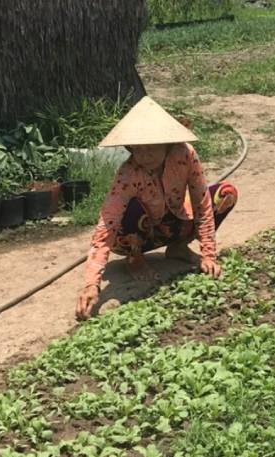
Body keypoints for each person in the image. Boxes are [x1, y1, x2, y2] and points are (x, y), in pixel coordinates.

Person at [76, 97, 238, 320]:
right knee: (132, 209)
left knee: (225, 193)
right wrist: (92, 284)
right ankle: (135, 260)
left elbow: (201, 201)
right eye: (138, 149)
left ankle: (178, 248)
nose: (144, 155)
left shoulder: (185, 155)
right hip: (137, 234)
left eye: (151, 148)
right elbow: (108, 224)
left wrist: (209, 254)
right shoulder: (128, 173)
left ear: (167, 143)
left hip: (174, 221)